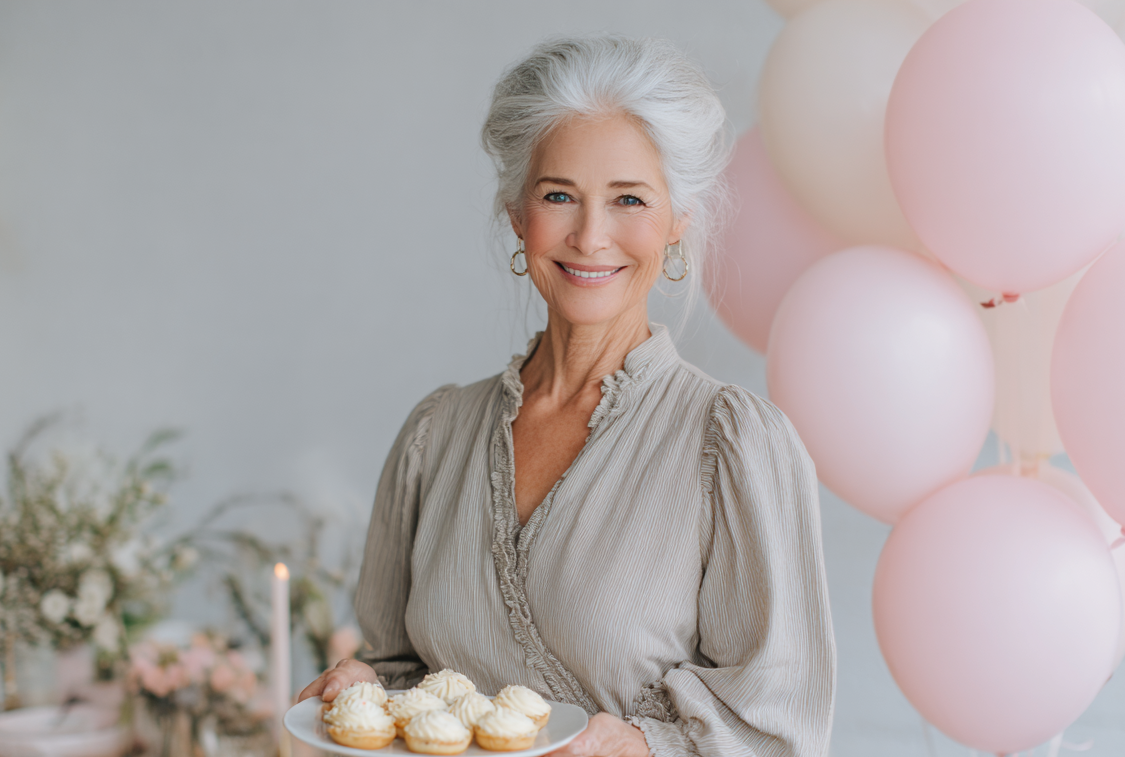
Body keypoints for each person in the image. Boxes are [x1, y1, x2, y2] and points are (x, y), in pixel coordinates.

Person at [299, 33, 836, 757]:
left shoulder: (733, 444)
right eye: (559, 196)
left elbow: (779, 734)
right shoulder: (436, 435)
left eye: (629, 199)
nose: (590, 236)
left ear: (677, 220)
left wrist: (642, 744)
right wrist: (367, 685)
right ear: (517, 214)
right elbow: (404, 675)